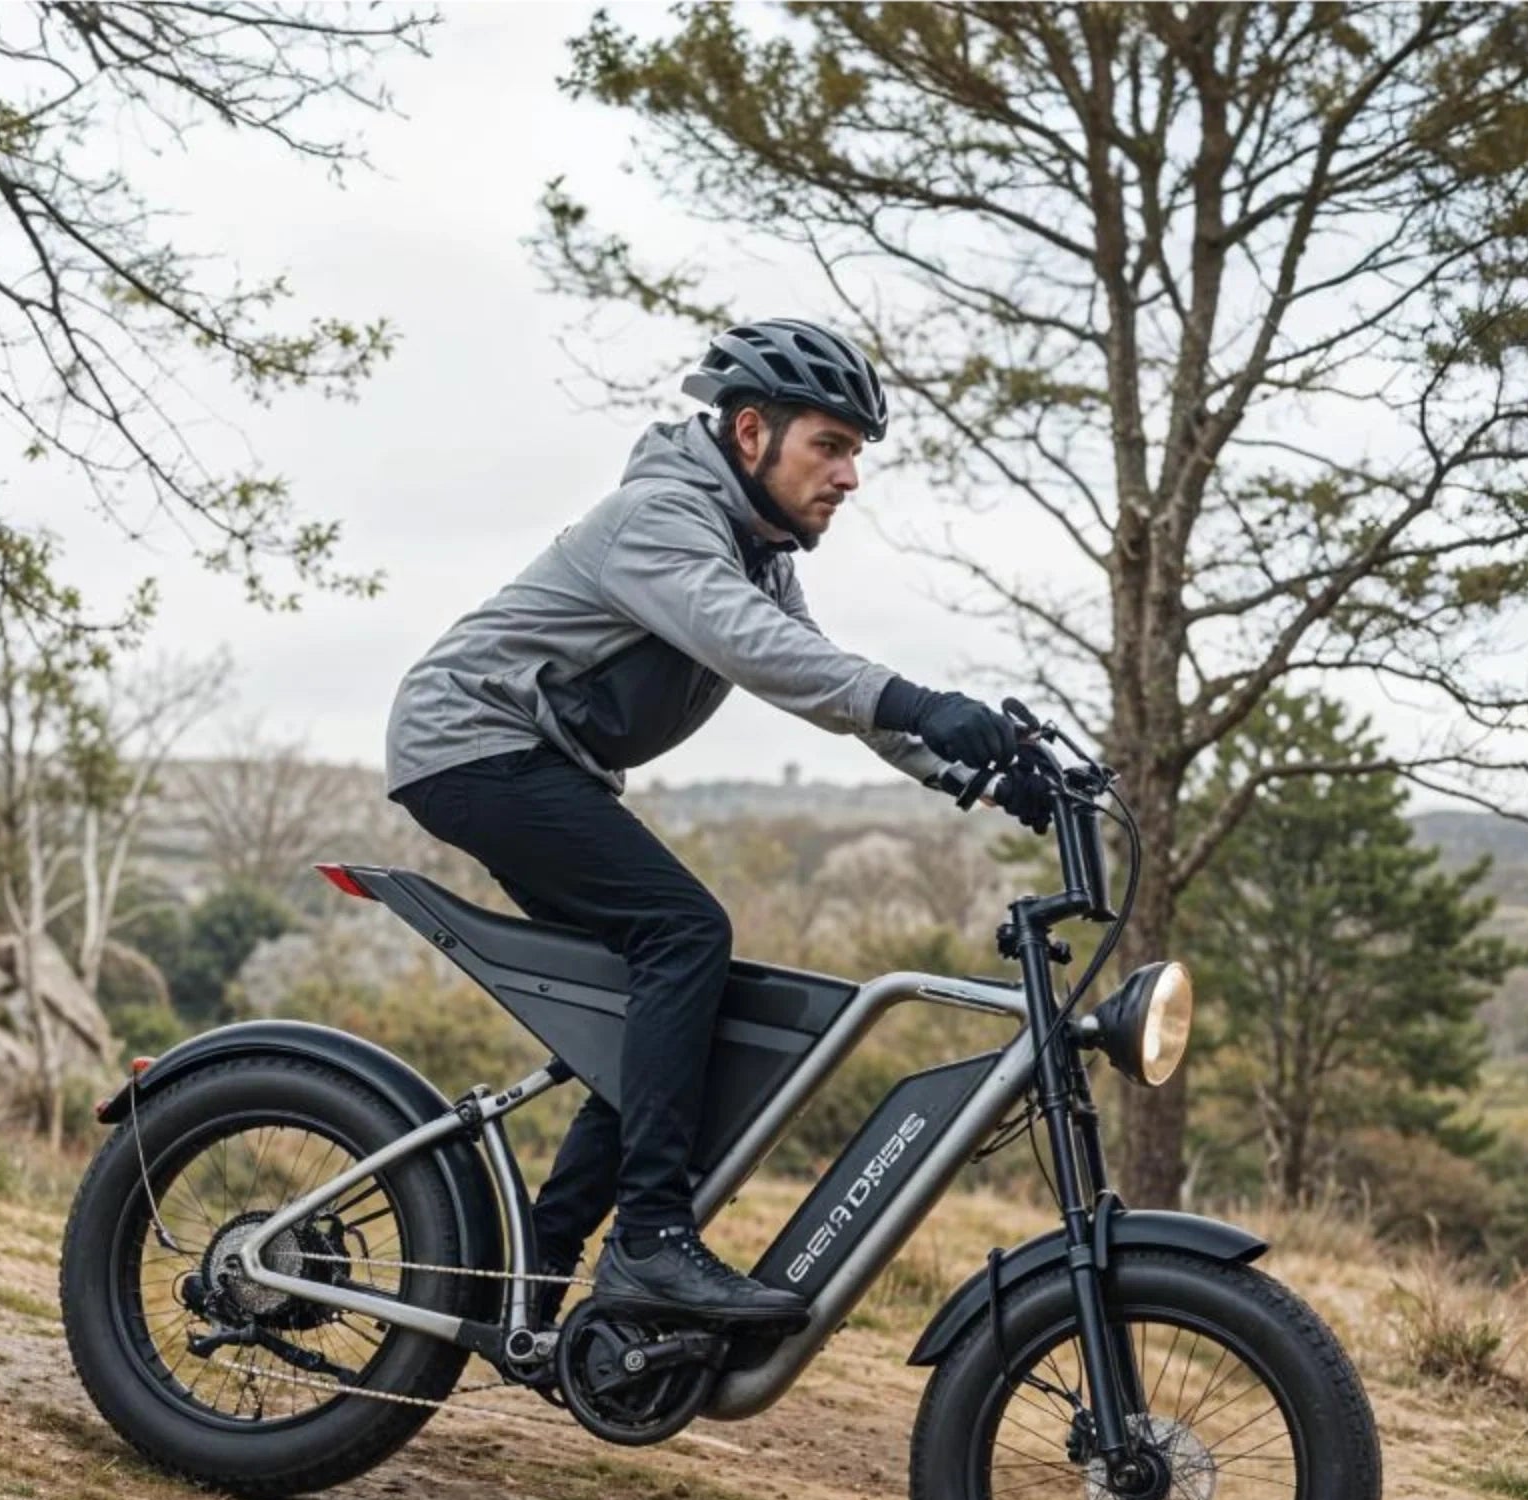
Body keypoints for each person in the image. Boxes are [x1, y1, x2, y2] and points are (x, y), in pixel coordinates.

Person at [385, 317, 1048, 1331]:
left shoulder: (756, 546)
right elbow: (759, 652)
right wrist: (923, 699)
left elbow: (826, 683)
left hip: (529, 761)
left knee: (671, 1002)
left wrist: (982, 780)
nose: (849, 476)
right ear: (750, 434)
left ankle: (542, 1260)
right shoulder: (661, 518)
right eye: (830, 446)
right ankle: (649, 1242)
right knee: (684, 935)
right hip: (471, 743)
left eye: (856, 453)